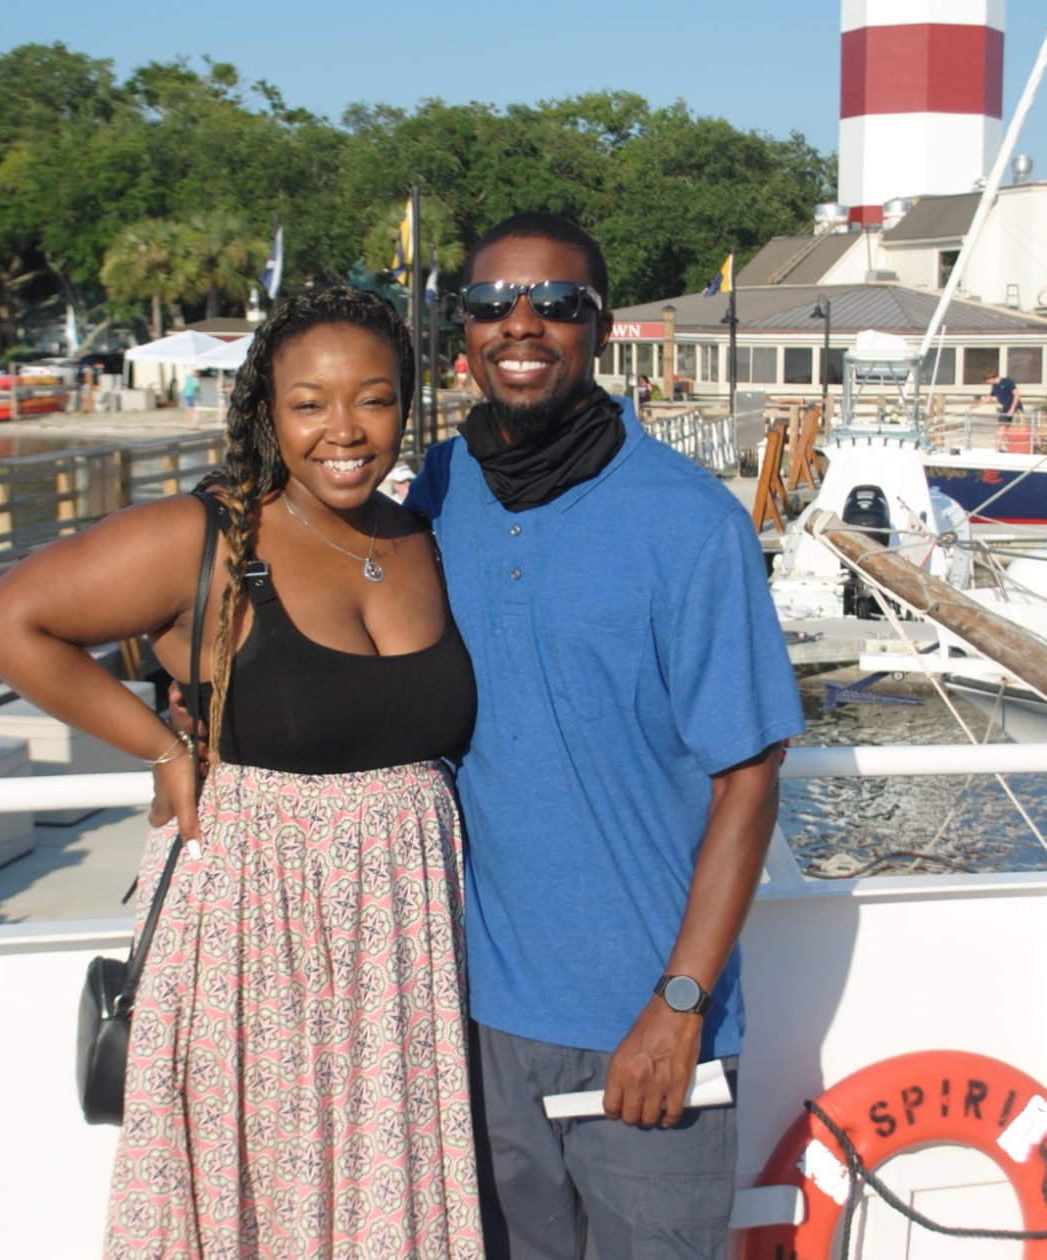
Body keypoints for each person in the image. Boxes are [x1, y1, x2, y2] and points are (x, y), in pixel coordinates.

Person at [0, 285, 484, 1255]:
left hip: (401, 939)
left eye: (372, 399)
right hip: (258, 936)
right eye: (309, 403)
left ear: (406, 405)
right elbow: (2, 624)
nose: (344, 430)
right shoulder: (207, 536)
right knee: (263, 1206)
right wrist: (160, 748)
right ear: (267, 412)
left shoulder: (418, 538)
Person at [407, 212, 803, 1258]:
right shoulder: (433, 493)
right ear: (464, 332)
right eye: (493, 304)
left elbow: (750, 780)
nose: (521, 324)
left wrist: (679, 1005)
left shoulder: (690, 522)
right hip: (481, 1024)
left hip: (649, 1031)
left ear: (602, 328)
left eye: (557, 303)